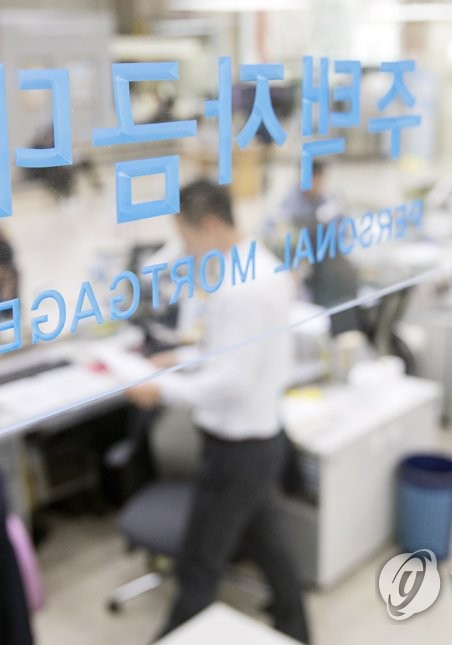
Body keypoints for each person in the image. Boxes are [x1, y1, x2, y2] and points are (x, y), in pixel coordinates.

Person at [125, 180, 310, 643]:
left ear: (208, 225)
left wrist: (160, 390)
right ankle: (296, 629)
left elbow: (230, 383)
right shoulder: (261, 265)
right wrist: (181, 358)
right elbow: (235, 355)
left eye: (186, 237)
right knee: (270, 544)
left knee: (199, 563)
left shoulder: (237, 288)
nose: (186, 249)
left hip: (236, 450)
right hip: (262, 438)